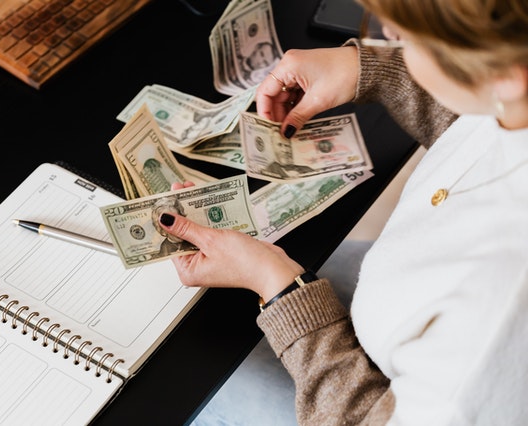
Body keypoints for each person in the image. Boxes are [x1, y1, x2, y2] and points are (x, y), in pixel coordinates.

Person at [160, 0, 528, 424]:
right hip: (388, 303)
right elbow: (480, 128)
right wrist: (371, 69)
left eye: (405, 37)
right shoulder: (513, 98)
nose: (388, 39)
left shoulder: (495, 318)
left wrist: (276, 285)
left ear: (503, 74)